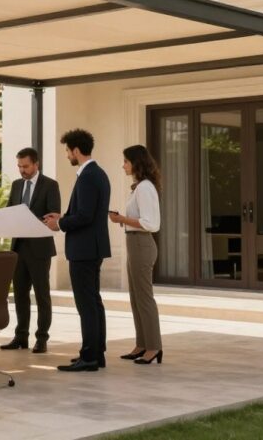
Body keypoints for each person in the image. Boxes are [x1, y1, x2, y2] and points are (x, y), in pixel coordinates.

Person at [44, 128, 110, 372]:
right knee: (93, 301)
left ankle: (90, 357)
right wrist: (62, 216)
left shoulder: (88, 176)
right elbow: (86, 213)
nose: (66, 155)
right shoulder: (96, 173)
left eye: (67, 151)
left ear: (76, 150)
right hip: (91, 247)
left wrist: (58, 223)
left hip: (84, 249)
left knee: (86, 304)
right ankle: (95, 353)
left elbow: (85, 216)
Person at [0, 147, 61, 354]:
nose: (22, 170)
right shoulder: (17, 185)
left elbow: (54, 215)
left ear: (36, 164)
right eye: (19, 166)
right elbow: (9, 211)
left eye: (25, 166)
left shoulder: (50, 185)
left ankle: (42, 338)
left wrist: (30, 222)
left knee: (42, 295)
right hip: (18, 247)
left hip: (40, 248)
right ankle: (20, 336)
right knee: (19, 295)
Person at [109, 145, 163, 365]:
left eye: (125, 161)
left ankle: (153, 347)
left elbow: (151, 224)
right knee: (135, 298)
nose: (123, 165)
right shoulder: (139, 187)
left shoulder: (145, 188)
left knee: (144, 298)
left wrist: (121, 219)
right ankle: (142, 344)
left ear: (135, 163)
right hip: (134, 244)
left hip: (141, 244)